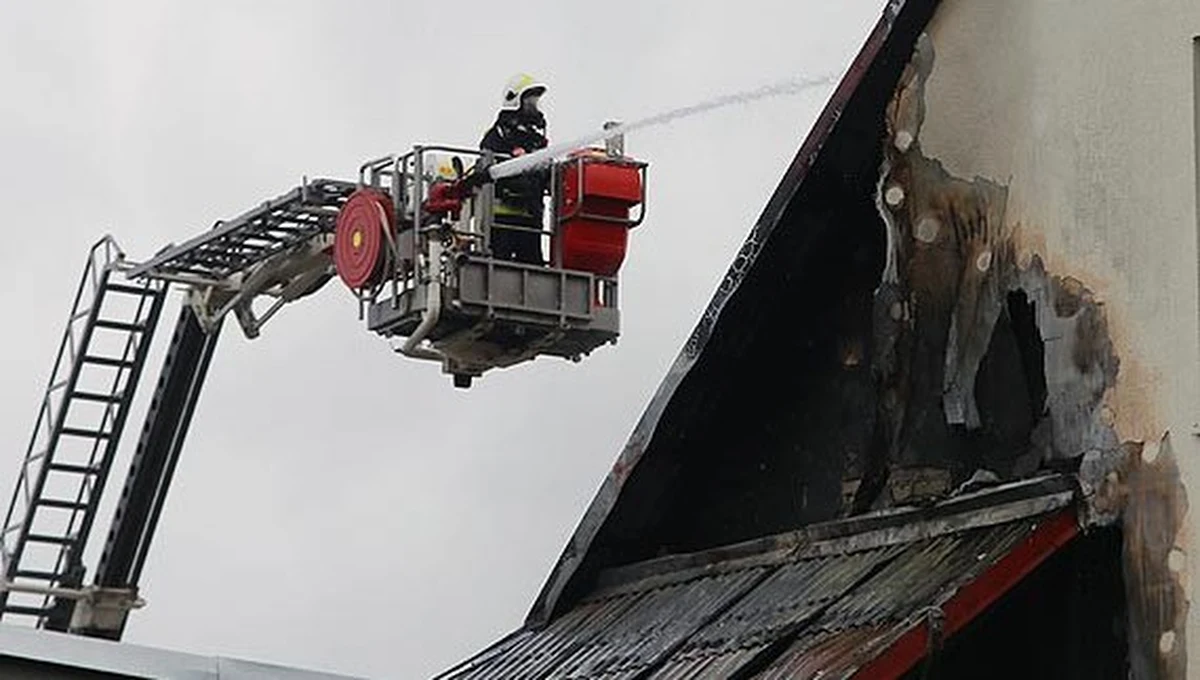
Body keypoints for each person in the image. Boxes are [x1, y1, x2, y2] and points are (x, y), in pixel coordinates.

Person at [478, 73, 550, 265]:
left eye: (535, 101)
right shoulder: (497, 135)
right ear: (515, 101)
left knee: (534, 267)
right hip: (502, 220)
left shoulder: (536, 139)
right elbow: (488, 166)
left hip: (531, 220)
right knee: (499, 266)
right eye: (530, 101)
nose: (533, 106)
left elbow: (545, 172)